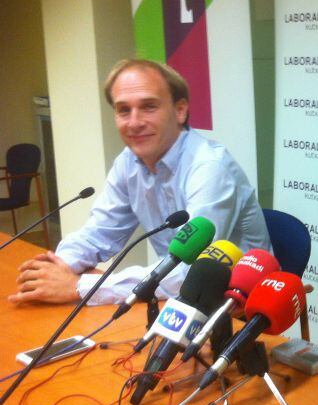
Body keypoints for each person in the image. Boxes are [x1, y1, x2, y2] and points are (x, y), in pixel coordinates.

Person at [9, 59, 271, 306]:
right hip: (177, 297)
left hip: (235, 304)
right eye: (124, 110)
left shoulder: (210, 167)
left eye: (149, 107)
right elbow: (99, 232)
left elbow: (188, 271)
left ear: (180, 111)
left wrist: (79, 286)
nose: (134, 122)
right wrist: (60, 267)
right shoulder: (129, 162)